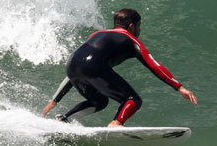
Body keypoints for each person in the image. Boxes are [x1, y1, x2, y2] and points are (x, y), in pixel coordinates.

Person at [41, 9, 198, 127]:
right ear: (131, 27)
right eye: (139, 26)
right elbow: (153, 64)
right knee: (132, 99)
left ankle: (63, 120)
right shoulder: (130, 39)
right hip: (94, 67)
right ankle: (116, 123)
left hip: (71, 65)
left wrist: (55, 99)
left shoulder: (96, 34)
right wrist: (179, 87)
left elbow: (78, 68)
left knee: (99, 101)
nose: (140, 31)